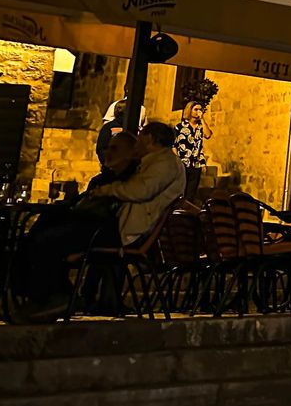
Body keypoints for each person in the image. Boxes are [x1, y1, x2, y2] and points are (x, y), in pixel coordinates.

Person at [15, 121, 185, 321]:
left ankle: (54, 296)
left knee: (50, 238)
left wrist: (107, 190)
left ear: (150, 139)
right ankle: (52, 294)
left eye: (141, 137)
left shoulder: (163, 164)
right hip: (123, 227)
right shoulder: (155, 163)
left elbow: (141, 190)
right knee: (47, 231)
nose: (137, 142)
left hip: (126, 232)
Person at [174, 76, 218, 201]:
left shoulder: (200, 127)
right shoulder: (180, 127)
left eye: (200, 109)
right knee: (181, 189)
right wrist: (177, 161)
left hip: (196, 163)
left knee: (191, 192)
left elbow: (208, 135)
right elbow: (174, 145)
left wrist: (202, 118)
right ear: (190, 110)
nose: (198, 111)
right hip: (183, 162)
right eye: (196, 109)